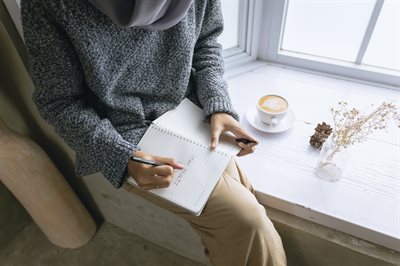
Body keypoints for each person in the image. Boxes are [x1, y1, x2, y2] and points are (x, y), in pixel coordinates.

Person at [21, 0, 287, 265]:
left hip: (189, 110)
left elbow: (206, 42)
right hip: (125, 136)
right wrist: (122, 158)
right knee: (247, 223)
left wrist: (219, 106)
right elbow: (60, 102)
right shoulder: (49, 5)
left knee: (242, 221)